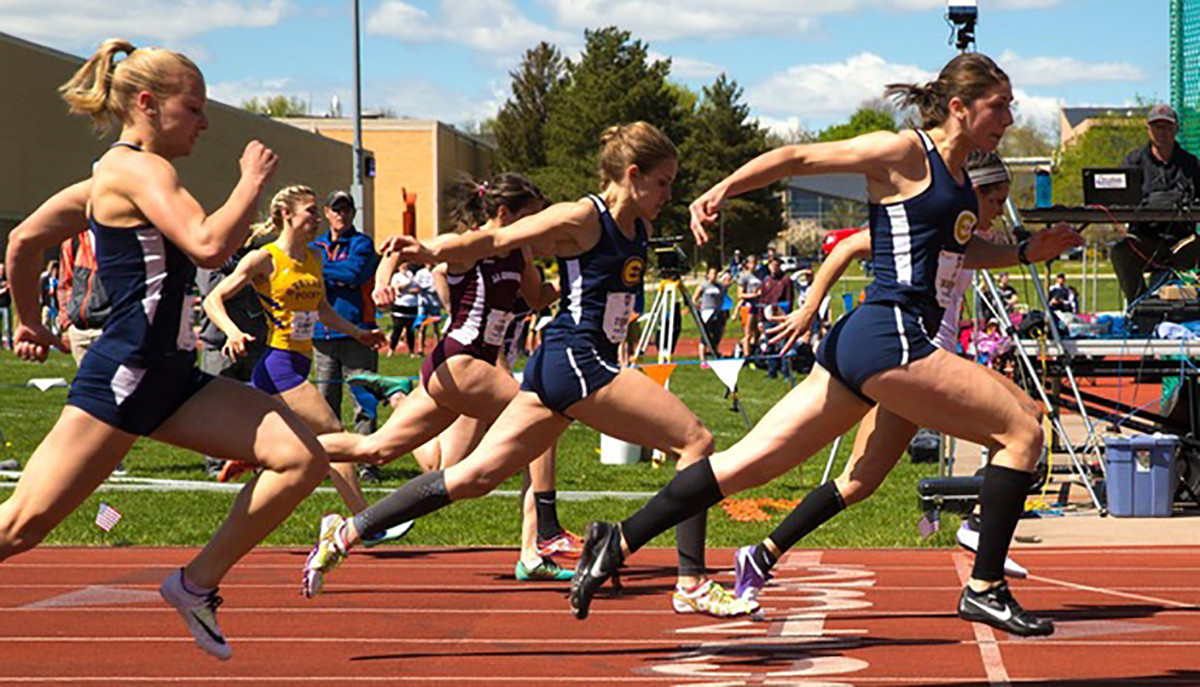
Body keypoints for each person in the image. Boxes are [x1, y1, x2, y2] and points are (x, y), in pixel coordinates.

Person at [567, 54, 1082, 637]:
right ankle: (985, 588)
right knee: (1022, 431)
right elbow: (797, 157)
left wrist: (1023, 252)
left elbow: (959, 256)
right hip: (893, 337)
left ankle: (620, 538)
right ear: (960, 108)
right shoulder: (905, 153)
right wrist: (723, 189)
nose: (1010, 118)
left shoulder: (964, 180)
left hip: (866, 343)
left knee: (747, 465)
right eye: (1000, 105)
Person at [305, 123, 756, 618]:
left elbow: (609, 299)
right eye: (664, 182)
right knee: (696, 441)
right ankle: (688, 580)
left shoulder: (640, 230)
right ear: (633, 175)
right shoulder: (582, 217)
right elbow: (497, 237)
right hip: (579, 360)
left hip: (565, 365)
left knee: (472, 476)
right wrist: (431, 251)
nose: (669, 195)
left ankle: (346, 532)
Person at [0, 39, 329, 659]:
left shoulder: (114, 177)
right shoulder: (137, 170)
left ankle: (194, 584)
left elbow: (23, 241)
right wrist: (251, 183)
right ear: (148, 104)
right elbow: (207, 245)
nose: (205, 122)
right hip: (125, 378)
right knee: (21, 525)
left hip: (173, 379)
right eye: (195, 108)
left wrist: (27, 323)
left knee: (298, 458)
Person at [727, 152, 1035, 611]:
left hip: (929, 365)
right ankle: (977, 527)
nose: (996, 215)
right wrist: (810, 309)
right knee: (1024, 422)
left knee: (858, 482)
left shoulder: (968, 237)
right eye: (996, 202)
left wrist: (1037, 247)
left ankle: (761, 555)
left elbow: (988, 257)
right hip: (906, 359)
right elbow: (849, 247)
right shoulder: (931, 227)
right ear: (975, 193)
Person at [302, 172, 587, 591]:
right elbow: (405, 251)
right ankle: (540, 539)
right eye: (529, 218)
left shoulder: (520, 253)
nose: (535, 228)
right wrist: (383, 284)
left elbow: (536, 297)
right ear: (504, 213)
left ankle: (275, 454)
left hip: (464, 370)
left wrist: (576, 284)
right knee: (542, 417)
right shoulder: (470, 246)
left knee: (377, 449)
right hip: (461, 362)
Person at [203, 184, 384, 513]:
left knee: (298, 453)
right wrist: (232, 331)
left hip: (301, 361)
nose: (318, 218)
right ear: (287, 214)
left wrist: (358, 333)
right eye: (311, 211)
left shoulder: (315, 256)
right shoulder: (265, 258)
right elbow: (213, 299)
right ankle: (365, 519)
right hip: (278, 363)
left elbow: (323, 310)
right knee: (333, 432)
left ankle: (250, 458)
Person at [311, 189, 380, 472]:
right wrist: (328, 270)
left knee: (363, 398)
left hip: (357, 331)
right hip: (321, 333)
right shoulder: (315, 244)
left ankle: (367, 463)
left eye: (346, 210)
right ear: (327, 212)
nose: (342, 215)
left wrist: (320, 268)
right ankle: (332, 463)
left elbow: (355, 273)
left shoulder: (362, 243)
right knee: (325, 403)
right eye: (336, 209)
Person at [195, 227, 272, 477]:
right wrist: (246, 279)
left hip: (254, 340)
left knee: (254, 405)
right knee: (216, 404)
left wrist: (243, 277)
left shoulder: (251, 257)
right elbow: (214, 291)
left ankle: (252, 457)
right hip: (219, 341)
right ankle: (215, 462)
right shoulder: (210, 260)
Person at [1112, 104, 1200, 303]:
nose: (1162, 132)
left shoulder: (1191, 164)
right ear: (1148, 129)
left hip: (1183, 242)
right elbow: (1115, 204)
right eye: (1157, 127)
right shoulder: (1133, 162)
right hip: (1145, 242)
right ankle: (1140, 307)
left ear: (1176, 128)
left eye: (1167, 127)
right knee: (1120, 252)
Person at [692, 265, 728, 363]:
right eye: (712, 273)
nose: (713, 276)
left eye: (715, 274)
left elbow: (722, 298)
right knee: (705, 335)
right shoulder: (704, 285)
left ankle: (714, 352)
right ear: (708, 275)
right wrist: (698, 308)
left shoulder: (719, 286)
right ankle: (702, 359)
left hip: (717, 312)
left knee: (717, 333)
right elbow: (694, 298)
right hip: (706, 313)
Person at [387, 262, 420, 356]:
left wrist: (407, 290)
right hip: (399, 305)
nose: (405, 267)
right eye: (402, 265)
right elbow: (397, 288)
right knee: (397, 328)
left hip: (412, 305)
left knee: (410, 330)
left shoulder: (411, 275)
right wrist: (408, 283)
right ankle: (391, 349)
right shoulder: (397, 276)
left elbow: (418, 289)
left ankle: (412, 351)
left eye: (406, 265)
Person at [736, 253, 763, 357]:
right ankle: (746, 355)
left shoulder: (760, 274)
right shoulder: (744, 276)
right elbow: (740, 294)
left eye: (755, 263)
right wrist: (754, 295)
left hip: (758, 305)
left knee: (757, 332)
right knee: (748, 332)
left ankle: (753, 351)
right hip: (748, 306)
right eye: (752, 263)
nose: (754, 265)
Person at [0, 263, 10, 349]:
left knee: (7, 326)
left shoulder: (7, 280)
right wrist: (4, 289)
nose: (1, 271)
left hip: (6, 305)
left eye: (3, 270)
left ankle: (9, 345)